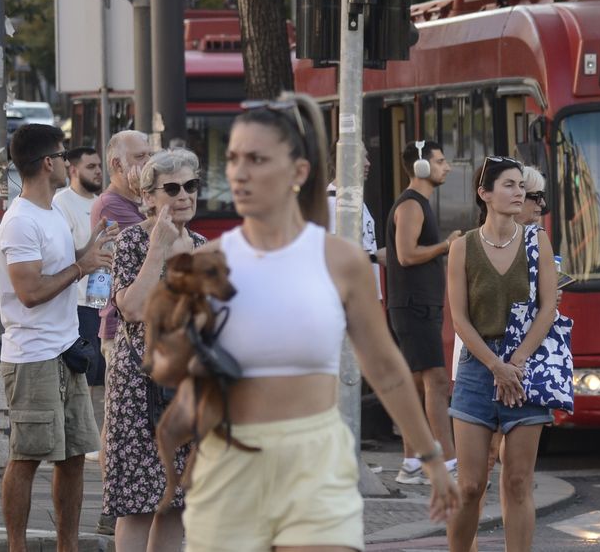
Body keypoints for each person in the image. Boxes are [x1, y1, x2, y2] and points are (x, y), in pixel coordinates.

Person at [184, 93, 458, 551]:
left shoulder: (341, 261)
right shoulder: (207, 264)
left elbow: (388, 372)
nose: (239, 172)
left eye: (256, 158)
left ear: (299, 172)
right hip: (230, 465)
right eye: (232, 158)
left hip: (315, 461)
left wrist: (432, 460)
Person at [0, 124, 116, 552]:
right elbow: (29, 292)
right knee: (26, 457)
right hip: (32, 358)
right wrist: (81, 268)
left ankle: (68, 546)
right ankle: (16, 546)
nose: (68, 162)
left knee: (75, 455)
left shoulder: (50, 215)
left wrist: (88, 251)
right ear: (49, 163)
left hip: (66, 352)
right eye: (64, 156)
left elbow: (60, 267)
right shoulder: (21, 222)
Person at [446, 156, 559, 551]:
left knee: (517, 481)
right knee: (472, 484)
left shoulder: (536, 241)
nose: (520, 193)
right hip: (478, 369)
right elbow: (459, 318)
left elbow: (549, 308)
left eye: (521, 186)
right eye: (509, 185)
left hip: (524, 367)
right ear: (485, 194)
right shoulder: (463, 247)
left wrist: (516, 364)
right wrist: (495, 366)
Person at [103, 149, 204, 551]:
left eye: (191, 186)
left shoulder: (200, 244)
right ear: (148, 197)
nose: (185, 196)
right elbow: (131, 308)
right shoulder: (131, 241)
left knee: (176, 503)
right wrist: (158, 249)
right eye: (173, 188)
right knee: (138, 505)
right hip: (139, 391)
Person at [384, 139, 461, 484]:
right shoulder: (413, 205)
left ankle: (412, 462)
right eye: (440, 161)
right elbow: (405, 255)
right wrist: (447, 245)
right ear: (421, 167)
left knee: (416, 383)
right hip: (414, 306)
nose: (447, 167)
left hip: (416, 304)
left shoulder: (418, 205)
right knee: (437, 381)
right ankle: (445, 461)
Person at [89, 129, 150, 535]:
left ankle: (123, 500)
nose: (149, 163)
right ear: (117, 165)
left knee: (125, 418)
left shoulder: (130, 203)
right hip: (122, 329)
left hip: (137, 329)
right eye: (142, 156)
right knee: (120, 420)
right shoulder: (115, 208)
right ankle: (116, 505)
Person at [52, 147, 106, 405]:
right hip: (80, 303)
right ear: (73, 170)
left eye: (99, 166)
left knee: (105, 377)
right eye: (90, 166)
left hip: (107, 301)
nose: (98, 171)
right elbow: (63, 257)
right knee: (86, 375)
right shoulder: (61, 204)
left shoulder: (104, 202)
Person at [326, 145, 385, 298]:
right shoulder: (333, 204)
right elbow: (333, 256)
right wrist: (375, 257)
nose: (368, 163)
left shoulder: (353, 199)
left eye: (367, 157)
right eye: (361, 157)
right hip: (349, 300)